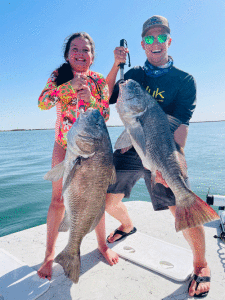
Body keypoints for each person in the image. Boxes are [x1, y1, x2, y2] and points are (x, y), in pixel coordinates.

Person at [105, 16, 211, 298]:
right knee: (108, 201)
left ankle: (201, 265)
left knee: (182, 206)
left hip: (163, 152)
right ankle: (127, 226)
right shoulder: (134, 75)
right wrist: (116, 65)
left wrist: (171, 166)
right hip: (131, 146)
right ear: (142, 44)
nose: (155, 43)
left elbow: (180, 127)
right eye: (149, 38)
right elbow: (107, 97)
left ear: (169, 41)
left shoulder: (185, 81)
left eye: (160, 37)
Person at [37, 32, 121, 280]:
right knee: (58, 201)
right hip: (64, 145)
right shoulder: (58, 76)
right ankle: (50, 255)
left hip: (94, 150)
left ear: (93, 57)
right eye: (75, 49)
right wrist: (67, 87)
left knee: (96, 198)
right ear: (67, 54)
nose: (80, 54)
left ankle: (102, 246)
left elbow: (104, 114)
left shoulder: (96, 80)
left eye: (86, 50)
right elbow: (42, 103)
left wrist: (92, 100)